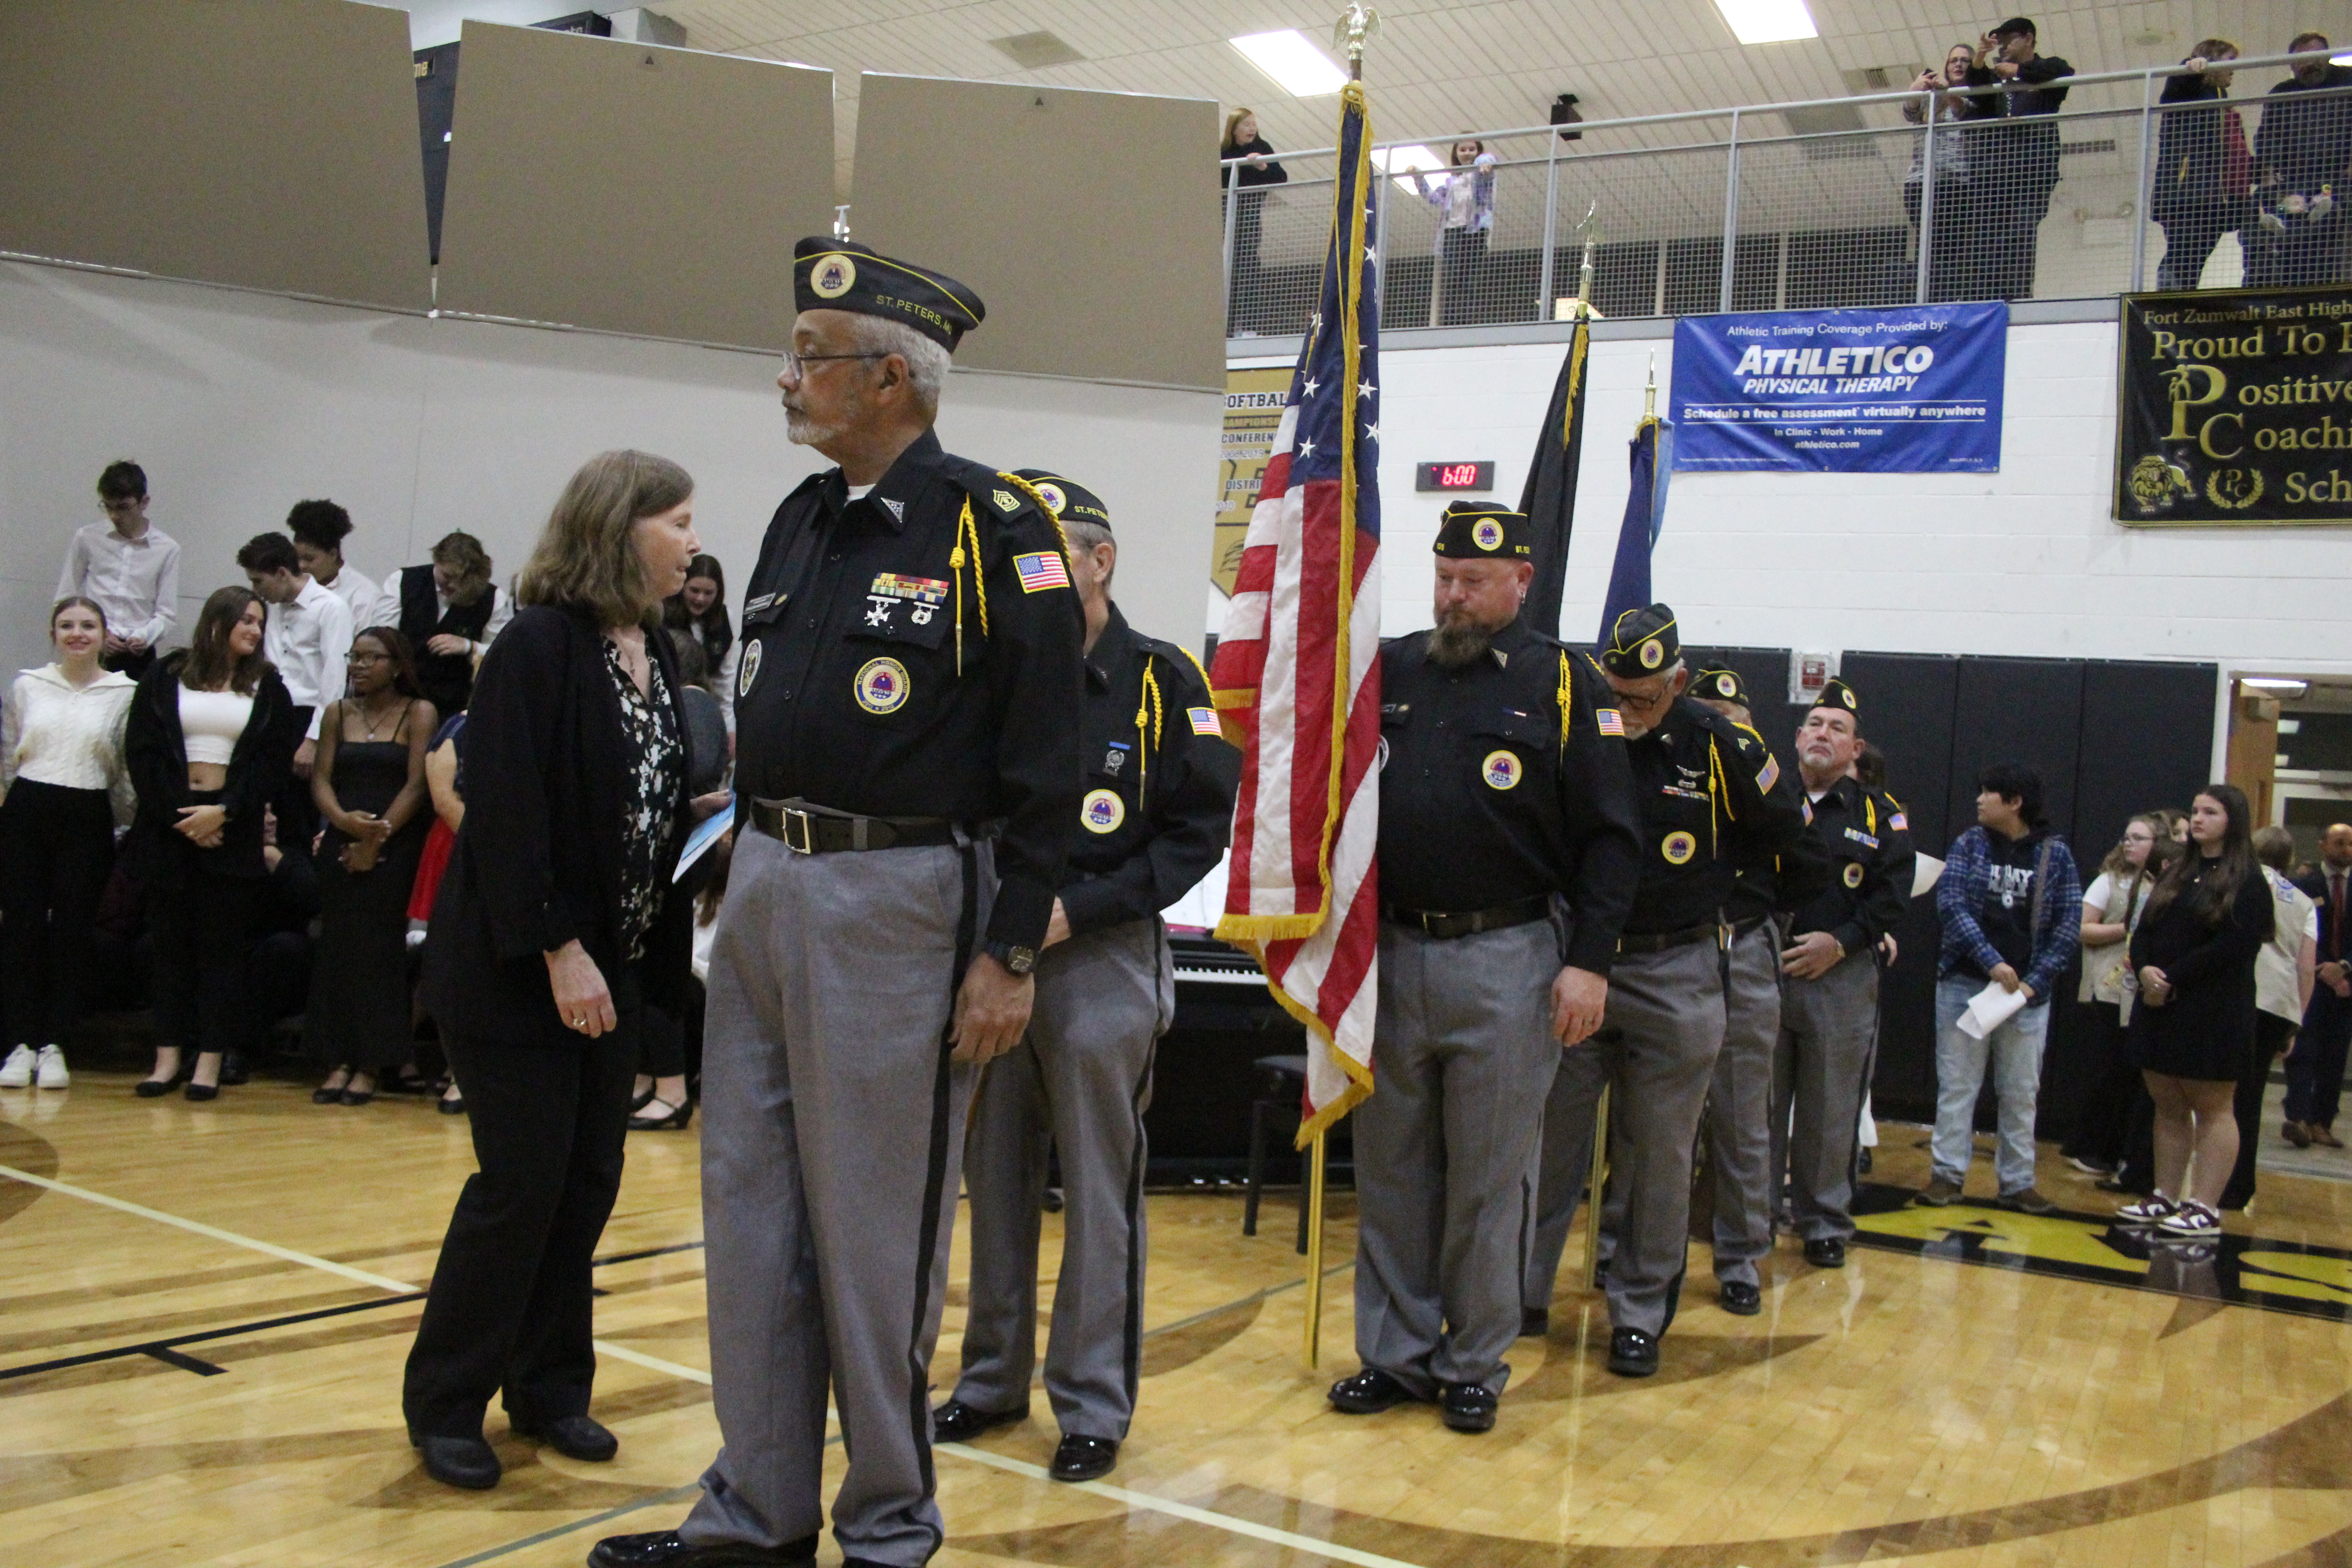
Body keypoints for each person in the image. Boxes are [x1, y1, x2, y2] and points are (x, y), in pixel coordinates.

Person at [590, 238, 1083, 1568]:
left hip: (901, 902)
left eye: (813, 358)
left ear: (891, 379)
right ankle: (756, 1511)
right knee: (748, 1214)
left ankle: (884, 1526)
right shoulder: (800, 520)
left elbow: (1053, 758)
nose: (788, 378)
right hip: (764, 885)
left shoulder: (995, 527)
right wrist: (738, 876)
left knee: (873, 1237)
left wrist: (1008, 950)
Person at [402, 450, 716, 1492]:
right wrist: (559, 946)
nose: (690, 538)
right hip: (522, 968)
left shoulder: (658, 644)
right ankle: (447, 1401)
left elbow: (635, 798)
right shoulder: (536, 643)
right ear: (618, 527)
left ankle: (548, 1389)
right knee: (520, 1187)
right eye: (675, 520)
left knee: (584, 1187)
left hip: (615, 967)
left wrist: (709, 822)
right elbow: (507, 811)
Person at [939, 470, 1237, 1479]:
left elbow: (1199, 834)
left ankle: (1093, 1406)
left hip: (1100, 958)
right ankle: (988, 1381)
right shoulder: (992, 670)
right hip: (992, 958)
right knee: (996, 1177)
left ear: (1099, 562)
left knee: (1101, 1188)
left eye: (1048, 558)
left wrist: (1078, 909)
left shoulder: (1164, 681)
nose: (1025, 580)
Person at [1322, 503, 1636, 1428]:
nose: (1454, 597)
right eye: (1445, 577)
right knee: (1392, 1170)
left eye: (1474, 582)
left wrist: (1590, 965)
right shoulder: (1396, 668)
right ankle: (1394, 1352)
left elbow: (1613, 844)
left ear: (1521, 583)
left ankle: (1472, 1360)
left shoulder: (1569, 684)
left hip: (1510, 958)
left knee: (1493, 1176)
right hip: (1392, 953)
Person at [1523, 604, 1814, 1380]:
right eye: (1614, 692)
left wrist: (1728, 904)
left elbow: (1788, 836)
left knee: (1659, 1154)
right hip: (1579, 962)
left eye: (1643, 698)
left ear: (1678, 682)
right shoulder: (1573, 729)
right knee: (1548, 1140)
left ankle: (1640, 1311)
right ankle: (1519, 1293)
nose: (1625, 712)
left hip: (1675, 969)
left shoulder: (1720, 747)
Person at [123, 587, 297, 1100]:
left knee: (222, 952)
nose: (255, 630)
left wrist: (225, 810)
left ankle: (210, 1061)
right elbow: (143, 749)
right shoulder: (167, 675)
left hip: (231, 827)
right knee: (169, 948)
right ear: (217, 621)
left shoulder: (267, 686)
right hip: (170, 822)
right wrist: (181, 814)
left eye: (260, 623)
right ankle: (167, 1057)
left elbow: (273, 760)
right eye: (246, 619)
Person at [1771, 679, 1913, 1270]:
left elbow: (1890, 897)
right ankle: (1749, 1218)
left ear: (1856, 751)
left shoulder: (1883, 816)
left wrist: (1841, 943)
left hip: (1841, 978)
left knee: (1831, 1111)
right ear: (1799, 737)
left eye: (1838, 728)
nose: (1824, 734)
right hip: (1766, 973)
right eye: (1816, 724)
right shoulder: (1767, 799)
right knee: (1757, 1110)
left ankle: (1824, 1222)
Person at [1680, 665, 1806, 1313]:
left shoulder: (1766, 778)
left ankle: (1741, 1258)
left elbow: (1801, 850)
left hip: (1746, 945)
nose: (1719, 730)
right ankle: (1632, 1245)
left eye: (1733, 722)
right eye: (1707, 716)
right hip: (1673, 947)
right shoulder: (1666, 770)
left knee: (1742, 1119)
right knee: (1654, 1125)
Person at [2114, 785, 2274, 1239]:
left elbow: (2235, 945)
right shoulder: (2177, 872)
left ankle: (2205, 1205)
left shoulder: (2247, 880)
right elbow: (2144, 928)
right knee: (2167, 1103)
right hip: (2158, 1003)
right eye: (2197, 811)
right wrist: (2145, 970)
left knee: (2213, 1107)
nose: (2199, 819)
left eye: (2211, 812)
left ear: (2234, 821)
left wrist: (2173, 978)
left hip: (2213, 1009)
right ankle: (2164, 1193)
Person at [1922, 761, 2082, 1211]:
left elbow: (2069, 926)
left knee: (2020, 1091)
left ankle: (2017, 1182)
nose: (1979, 799)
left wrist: (2033, 983)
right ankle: (1947, 1176)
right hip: (1964, 985)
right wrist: (1991, 962)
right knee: (1957, 1085)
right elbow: (1951, 905)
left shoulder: (2055, 854)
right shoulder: (1969, 844)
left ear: (2015, 803)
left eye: (1989, 793)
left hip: (2026, 997)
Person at [0, 598, 137, 1092]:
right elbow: (9, 757)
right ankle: (18, 1043)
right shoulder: (28, 685)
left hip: (88, 812)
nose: (77, 634)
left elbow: (123, 770)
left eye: (88, 626)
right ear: (53, 633)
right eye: (66, 625)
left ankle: (55, 1043)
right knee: (21, 930)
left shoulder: (125, 692)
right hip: (27, 811)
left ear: (103, 635)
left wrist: (122, 822)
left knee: (73, 933)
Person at [306, 628, 437, 1107]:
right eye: (354, 657)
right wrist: (342, 822)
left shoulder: (418, 712)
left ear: (398, 664)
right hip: (341, 839)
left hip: (393, 845)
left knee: (379, 955)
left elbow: (418, 785)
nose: (359, 666)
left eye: (370, 658)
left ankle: (370, 1064)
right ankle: (337, 1058)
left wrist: (375, 835)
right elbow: (321, 778)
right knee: (336, 950)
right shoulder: (337, 712)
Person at [2061, 813, 2167, 1177]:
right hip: (2108, 988)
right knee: (2106, 1072)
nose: (2129, 844)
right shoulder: (2110, 882)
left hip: (2144, 993)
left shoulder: (2166, 885)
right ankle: (2090, 1148)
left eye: (2139, 838)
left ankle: (2127, 1152)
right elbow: (2081, 929)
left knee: (2136, 1078)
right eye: (2127, 837)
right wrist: (2128, 928)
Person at [239, 531, 357, 836]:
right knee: (268, 805)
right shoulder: (273, 608)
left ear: (281, 573)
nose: (255, 590)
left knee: (298, 813)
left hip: (308, 717)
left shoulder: (331, 607)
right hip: (272, 711)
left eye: (258, 581)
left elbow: (335, 678)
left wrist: (314, 739)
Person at [2229, 826, 2316, 1208]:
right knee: (2251, 1095)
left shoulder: (2239, 881)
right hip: (2279, 1002)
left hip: (2241, 993)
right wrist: (2296, 1021)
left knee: (2220, 1096)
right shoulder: (2304, 902)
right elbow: (2306, 967)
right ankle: (2241, 1184)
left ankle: (2214, 1179)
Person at [1966, 18, 2075, 300]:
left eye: (2008, 39)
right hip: (1995, 171)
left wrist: (2019, 71)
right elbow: (1975, 87)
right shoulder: (1995, 76)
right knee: (1989, 239)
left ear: (2028, 38)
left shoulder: (2047, 69)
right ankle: (1989, 300)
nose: (2002, 45)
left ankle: (2017, 298)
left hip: (2034, 169)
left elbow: (2064, 70)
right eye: (1998, 40)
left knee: (2022, 234)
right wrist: (1980, 56)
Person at [58, 461, 180, 679]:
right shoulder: (87, 538)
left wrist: (145, 636)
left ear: (144, 503)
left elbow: (166, 614)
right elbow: (66, 599)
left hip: (137, 653)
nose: (114, 516)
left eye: (123, 507)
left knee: (135, 711)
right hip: (92, 644)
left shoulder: (167, 549)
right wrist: (94, 634)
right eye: (108, 506)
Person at [2249, 34, 2352, 288]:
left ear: (2328, 56)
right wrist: (2271, 171)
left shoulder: (2348, 80)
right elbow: (2267, 136)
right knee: (2289, 219)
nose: (2310, 64)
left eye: (2315, 56)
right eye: (2302, 59)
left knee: (2336, 226)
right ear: (2292, 65)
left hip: (2340, 174)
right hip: (2295, 179)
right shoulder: (2282, 92)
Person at [2152, 42, 2251, 291]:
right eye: (2229, 61)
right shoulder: (2190, 89)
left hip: (2215, 195)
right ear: (2213, 61)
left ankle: (2182, 298)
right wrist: (2191, 66)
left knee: (2198, 255)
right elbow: (2175, 88)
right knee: (2184, 250)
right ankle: (2169, 298)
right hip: (2187, 189)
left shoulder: (2220, 97)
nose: (2234, 68)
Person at [411, 711, 470, 1114]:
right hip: (460, 851)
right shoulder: (462, 727)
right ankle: (457, 1074)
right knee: (453, 968)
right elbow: (445, 799)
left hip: (475, 850)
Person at [1903, 44, 1993, 301]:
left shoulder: (1978, 97)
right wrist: (1916, 89)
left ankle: (1948, 300)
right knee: (1926, 243)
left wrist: (1947, 92)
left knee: (1954, 247)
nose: (1959, 65)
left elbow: (1964, 112)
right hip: (1921, 182)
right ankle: (1926, 300)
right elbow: (1910, 112)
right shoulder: (1930, 98)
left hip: (1957, 182)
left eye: (1966, 60)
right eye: (1954, 60)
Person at [2283, 822, 2352, 1147]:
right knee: (2305, 1049)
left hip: (2347, 985)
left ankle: (2323, 1121)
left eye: (2351, 843)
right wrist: (2323, 967)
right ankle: (2297, 1117)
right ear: (2323, 845)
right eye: (2339, 843)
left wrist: (2344, 968)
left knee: (2335, 1056)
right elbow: (2296, 933)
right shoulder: (2303, 885)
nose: (2346, 849)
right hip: (2311, 977)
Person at [396, 531, 511, 718]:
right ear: (436, 561)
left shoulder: (493, 598)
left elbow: (501, 653)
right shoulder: (402, 582)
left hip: (455, 702)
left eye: (464, 579)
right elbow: (382, 640)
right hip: (400, 697)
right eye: (447, 576)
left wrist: (469, 646)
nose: (454, 585)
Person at [1411, 139, 1499, 326]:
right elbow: (1434, 198)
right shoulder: (1451, 181)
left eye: (1472, 149)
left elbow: (1489, 163)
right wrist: (1419, 178)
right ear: (1456, 153)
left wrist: (1485, 163)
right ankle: (1452, 321)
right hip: (1453, 230)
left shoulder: (1483, 174)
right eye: (1463, 149)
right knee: (1453, 278)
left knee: (1471, 277)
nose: (1467, 153)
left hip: (1476, 230)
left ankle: (1469, 322)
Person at [1220, 108, 1288, 332]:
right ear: (1235, 128)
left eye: (1254, 124)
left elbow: (1281, 178)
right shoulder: (1223, 151)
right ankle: (1226, 328)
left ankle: (1248, 325)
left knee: (1248, 265)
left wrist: (1262, 166)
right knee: (1226, 267)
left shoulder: (1262, 148)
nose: (1252, 129)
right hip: (1224, 213)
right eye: (1246, 125)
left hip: (1249, 213)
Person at [289, 499, 397, 630]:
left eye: (309, 559)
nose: (301, 566)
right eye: (297, 558)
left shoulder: (363, 596)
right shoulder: (291, 586)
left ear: (333, 554)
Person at [662, 554, 739, 730]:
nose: (701, 599)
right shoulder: (662, 618)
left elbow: (725, 681)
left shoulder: (726, 620)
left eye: (709, 593)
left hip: (705, 711)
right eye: (694, 590)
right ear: (682, 587)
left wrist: (730, 728)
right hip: (670, 709)